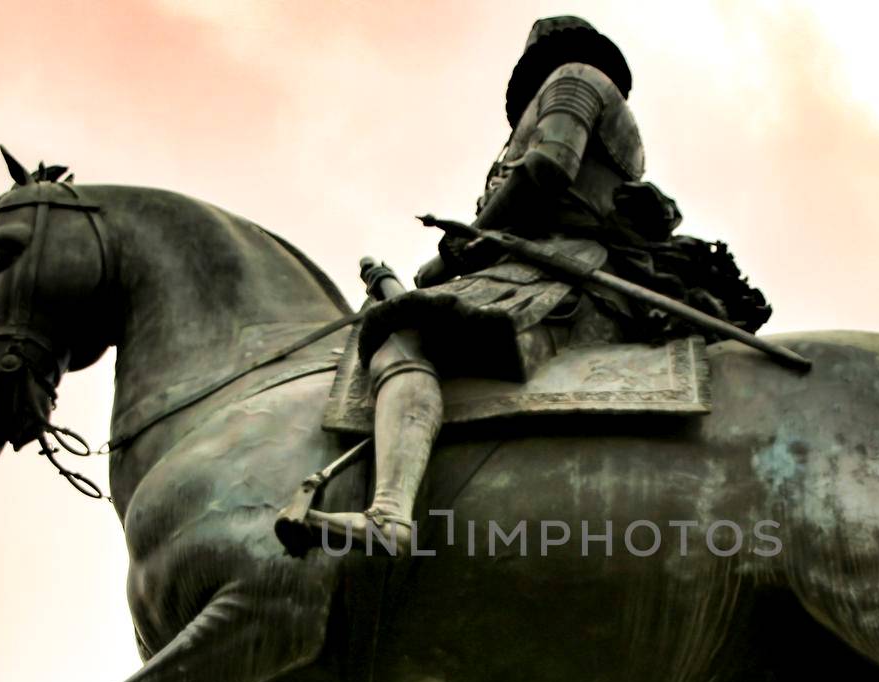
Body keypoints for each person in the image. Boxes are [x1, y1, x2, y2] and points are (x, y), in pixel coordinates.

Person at [279, 15, 769, 554]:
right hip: (542, 267)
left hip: (560, 273)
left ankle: (390, 513)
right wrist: (456, 257)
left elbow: (548, 168)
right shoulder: (582, 105)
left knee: (402, 336)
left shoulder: (575, 79)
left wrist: (454, 254)